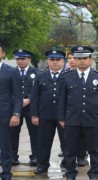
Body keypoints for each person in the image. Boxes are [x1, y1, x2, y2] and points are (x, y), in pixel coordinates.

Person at [58, 46, 98, 180]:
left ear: (90, 60)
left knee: (94, 149)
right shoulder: (66, 77)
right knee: (70, 149)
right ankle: (70, 173)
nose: (81, 61)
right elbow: (62, 99)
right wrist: (61, 117)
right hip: (72, 118)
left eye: (84, 58)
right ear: (74, 59)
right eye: (78, 58)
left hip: (92, 118)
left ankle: (94, 173)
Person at [30, 50, 67, 174]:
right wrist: (34, 114)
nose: (55, 62)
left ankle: (68, 163)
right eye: (52, 60)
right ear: (48, 61)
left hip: (64, 116)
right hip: (45, 115)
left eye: (58, 60)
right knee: (43, 141)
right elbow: (34, 97)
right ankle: (42, 165)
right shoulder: (41, 76)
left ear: (63, 61)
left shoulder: (69, 76)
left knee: (66, 141)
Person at [11, 49, 38, 166]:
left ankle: (35, 156)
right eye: (18, 59)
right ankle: (12, 156)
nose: (20, 61)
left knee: (34, 133)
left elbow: (39, 89)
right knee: (12, 133)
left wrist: (29, 99)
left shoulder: (37, 73)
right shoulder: (11, 72)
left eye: (23, 59)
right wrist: (17, 101)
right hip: (15, 108)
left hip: (31, 107)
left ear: (29, 59)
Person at [0, 43, 23, 180]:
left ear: (3, 53)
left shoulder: (11, 71)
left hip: (4, 114)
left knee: (5, 145)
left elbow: (18, 95)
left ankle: (6, 173)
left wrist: (16, 114)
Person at [61, 52, 88, 167]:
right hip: (70, 112)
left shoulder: (89, 74)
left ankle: (81, 156)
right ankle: (68, 158)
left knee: (83, 136)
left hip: (86, 111)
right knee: (69, 137)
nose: (72, 60)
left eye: (74, 58)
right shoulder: (65, 75)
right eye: (70, 58)